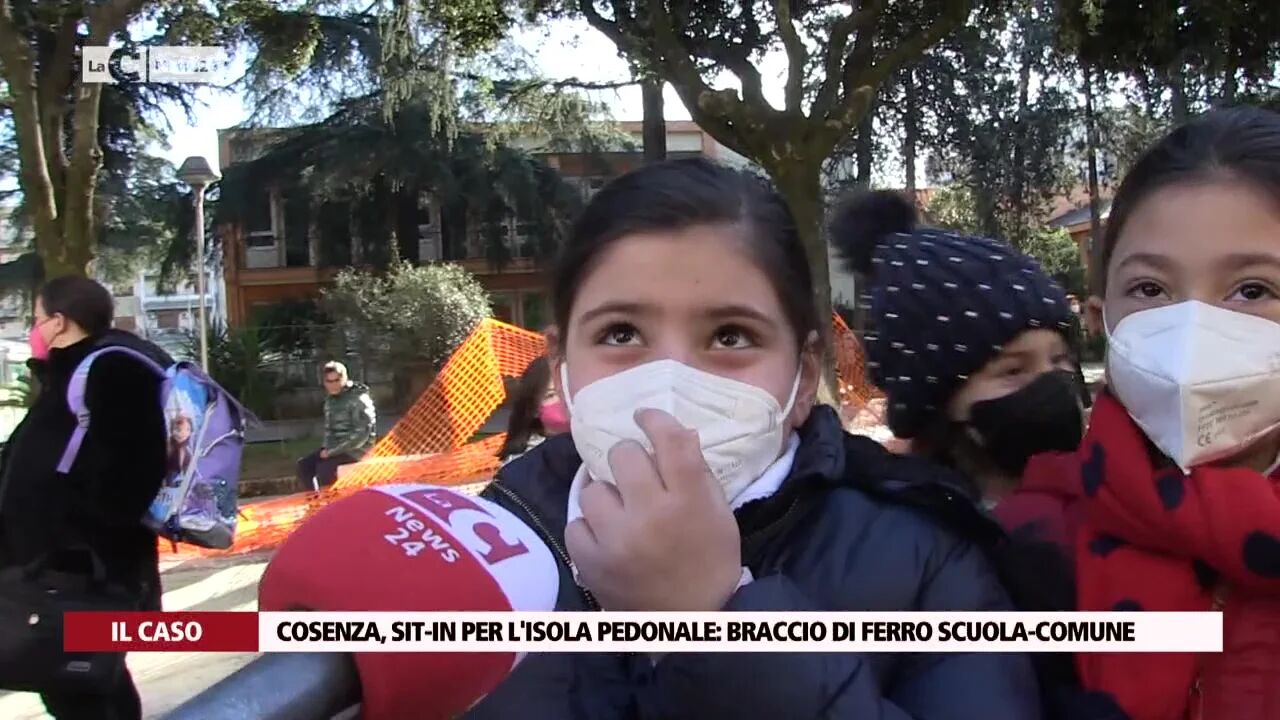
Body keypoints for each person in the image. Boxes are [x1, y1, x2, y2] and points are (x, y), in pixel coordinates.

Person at [469, 158, 1040, 718]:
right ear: (561, 366)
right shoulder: (481, 548)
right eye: (621, 332)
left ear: (804, 376)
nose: (671, 385)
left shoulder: (927, 560)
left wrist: (718, 626)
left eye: (731, 335)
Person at [1071, 106, 1280, 720]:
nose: (1193, 330)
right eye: (1151, 290)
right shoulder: (1042, 535)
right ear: (1100, 314)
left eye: (1252, 289)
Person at [830, 191, 1089, 524]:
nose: (1051, 382)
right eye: (1012, 369)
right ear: (938, 402)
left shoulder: (1111, 506)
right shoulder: (910, 539)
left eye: (1059, 360)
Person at [0, 276, 171, 719]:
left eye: (35, 319)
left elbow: (133, 471)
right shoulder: (75, 373)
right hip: (59, 570)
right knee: (89, 685)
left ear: (59, 322)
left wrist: (75, 535)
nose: (32, 330)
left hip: (81, 571)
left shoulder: (112, 368)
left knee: (78, 688)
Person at [296, 361, 376, 491]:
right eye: (329, 381)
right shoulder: (330, 401)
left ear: (345, 378)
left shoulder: (358, 399)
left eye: (336, 380)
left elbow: (361, 435)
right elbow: (329, 430)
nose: (333, 385)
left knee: (324, 470)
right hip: (335, 449)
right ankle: (315, 504)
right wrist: (326, 449)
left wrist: (331, 452)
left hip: (357, 450)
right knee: (304, 466)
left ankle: (331, 504)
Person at [496, 356, 569, 465]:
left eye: (568, 389)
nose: (564, 400)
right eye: (551, 395)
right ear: (534, 408)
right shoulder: (523, 464)